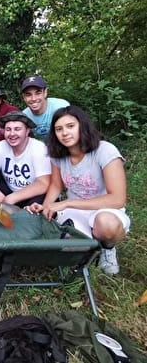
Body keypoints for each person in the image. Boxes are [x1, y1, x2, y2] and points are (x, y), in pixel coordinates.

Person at [26, 105, 130, 275]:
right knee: (68, 248)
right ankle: (89, 245)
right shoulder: (58, 155)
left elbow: (117, 199)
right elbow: (56, 185)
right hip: (74, 212)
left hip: (105, 210)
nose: (65, 133)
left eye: (70, 126)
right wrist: (47, 207)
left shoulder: (104, 150)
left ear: (82, 125)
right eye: (59, 129)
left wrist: (67, 203)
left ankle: (107, 248)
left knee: (106, 225)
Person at [0, 111, 51, 207]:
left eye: (17, 129)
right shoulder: (1, 146)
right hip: (8, 190)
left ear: (27, 131)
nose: (12, 134)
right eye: (8, 129)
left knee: (43, 199)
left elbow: (43, 183)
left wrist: (12, 198)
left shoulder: (39, 148)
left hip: (32, 194)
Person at [21, 75, 69, 141]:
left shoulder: (60, 106)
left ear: (45, 92)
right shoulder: (24, 116)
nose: (33, 98)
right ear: (24, 97)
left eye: (38, 93)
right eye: (28, 95)